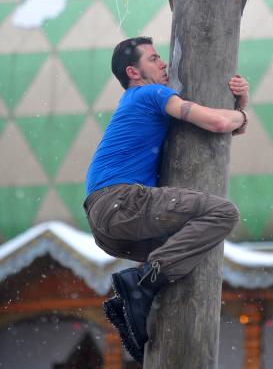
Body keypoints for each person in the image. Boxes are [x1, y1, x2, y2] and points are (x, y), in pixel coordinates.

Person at [83, 36, 249, 363]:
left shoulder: (137, 100)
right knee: (222, 215)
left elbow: (223, 125)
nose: (163, 64)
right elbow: (217, 122)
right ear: (133, 71)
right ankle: (141, 285)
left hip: (105, 223)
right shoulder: (149, 92)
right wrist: (242, 115)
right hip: (122, 201)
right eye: (154, 58)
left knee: (192, 249)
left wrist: (239, 103)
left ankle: (135, 304)